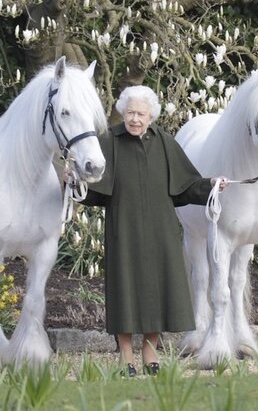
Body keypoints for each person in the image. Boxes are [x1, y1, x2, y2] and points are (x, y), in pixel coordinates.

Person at [76, 85, 226, 377]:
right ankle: (126, 355)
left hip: (161, 232)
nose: (135, 119)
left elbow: (185, 186)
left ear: (151, 116)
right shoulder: (109, 141)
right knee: (125, 291)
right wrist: (75, 184)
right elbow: (94, 191)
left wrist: (211, 184)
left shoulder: (165, 143)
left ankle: (150, 351)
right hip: (123, 229)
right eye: (130, 112)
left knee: (159, 290)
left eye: (141, 114)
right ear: (123, 112)